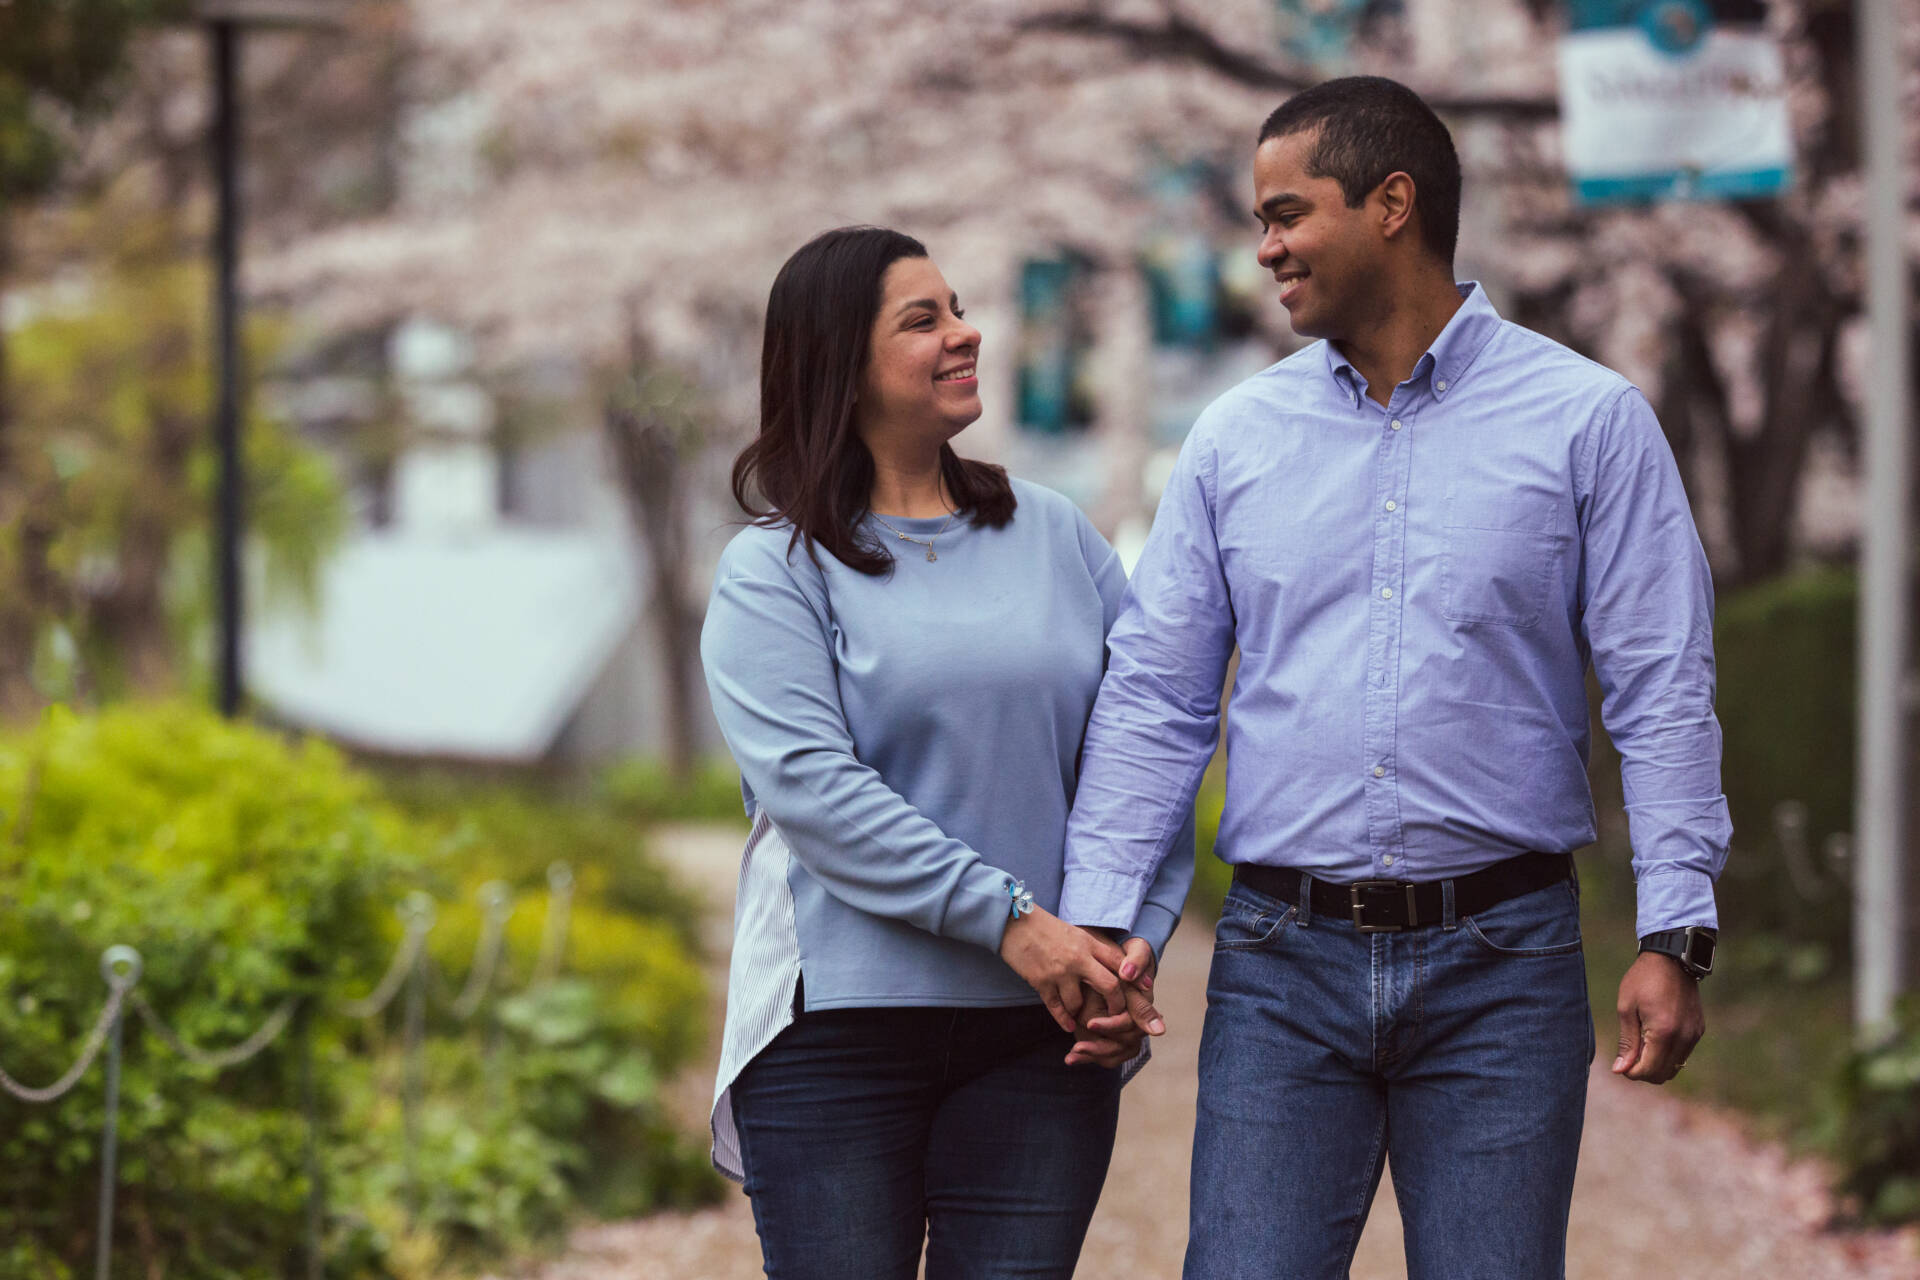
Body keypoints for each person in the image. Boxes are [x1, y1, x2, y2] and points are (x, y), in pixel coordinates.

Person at [1054, 77, 1729, 1279]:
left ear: (1393, 205)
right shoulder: (1232, 439)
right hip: (1280, 961)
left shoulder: (1589, 423)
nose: (1262, 251)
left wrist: (1675, 929)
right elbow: (1158, 695)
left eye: (1285, 214)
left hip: (1504, 964)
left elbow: (1661, 685)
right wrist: (1107, 916)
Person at [700, 224, 1191, 1280]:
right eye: (923, 320)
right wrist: (1016, 922)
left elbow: (1146, 742)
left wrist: (1121, 937)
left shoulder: (1057, 535)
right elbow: (818, 796)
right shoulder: (774, 571)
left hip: (1043, 1034)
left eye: (959, 308)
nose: (966, 334)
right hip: (835, 1033)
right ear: (840, 361)